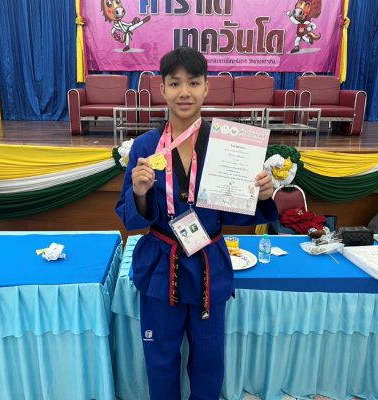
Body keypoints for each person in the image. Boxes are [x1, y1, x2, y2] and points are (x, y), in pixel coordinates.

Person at [115, 46, 278, 400]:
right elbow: (130, 217)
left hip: (208, 267)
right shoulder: (145, 147)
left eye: (193, 82)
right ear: (162, 89)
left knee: (209, 361)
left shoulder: (228, 145)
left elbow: (234, 212)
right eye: (175, 83)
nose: (184, 92)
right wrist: (140, 193)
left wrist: (262, 195)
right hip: (161, 267)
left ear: (207, 88)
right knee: (160, 359)